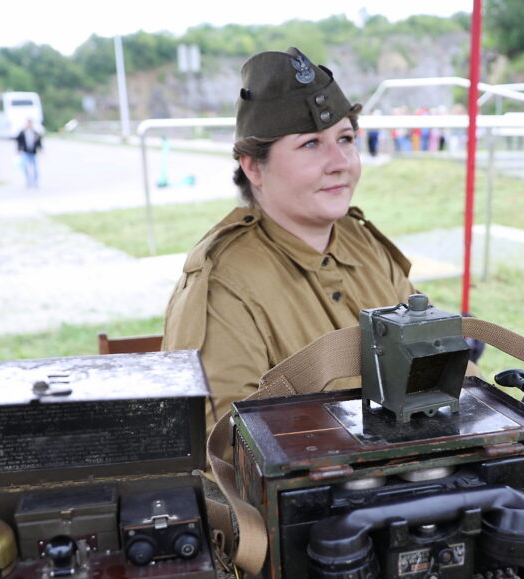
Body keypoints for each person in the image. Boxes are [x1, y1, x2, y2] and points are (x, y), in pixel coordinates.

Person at [161, 48, 417, 429]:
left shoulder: (366, 246)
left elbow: (435, 365)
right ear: (253, 167)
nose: (340, 162)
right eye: (310, 144)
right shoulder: (224, 283)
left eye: (345, 138)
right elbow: (230, 446)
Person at [15, 119, 43, 188]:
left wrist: (40, 149)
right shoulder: (22, 132)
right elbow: (19, 142)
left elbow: (39, 142)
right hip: (25, 152)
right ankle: (28, 180)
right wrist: (18, 149)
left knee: (35, 168)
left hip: (33, 152)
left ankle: (35, 182)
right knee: (25, 167)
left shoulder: (35, 132)